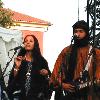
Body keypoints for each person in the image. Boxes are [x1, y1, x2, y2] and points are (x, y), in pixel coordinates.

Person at [50, 20, 100, 100]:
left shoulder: (95, 53)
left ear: (86, 33)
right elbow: (56, 72)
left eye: (81, 31)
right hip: (68, 94)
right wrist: (63, 84)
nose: (77, 34)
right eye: (76, 31)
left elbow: (98, 75)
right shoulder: (66, 51)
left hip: (89, 94)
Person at [7, 34, 51, 100]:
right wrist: (17, 66)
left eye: (31, 41)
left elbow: (49, 78)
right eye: (26, 41)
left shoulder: (41, 61)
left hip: (36, 96)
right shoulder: (19, 59)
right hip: (20, 96)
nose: (28, 42)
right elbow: (13, 79)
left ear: (35, 44)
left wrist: (46, 73)